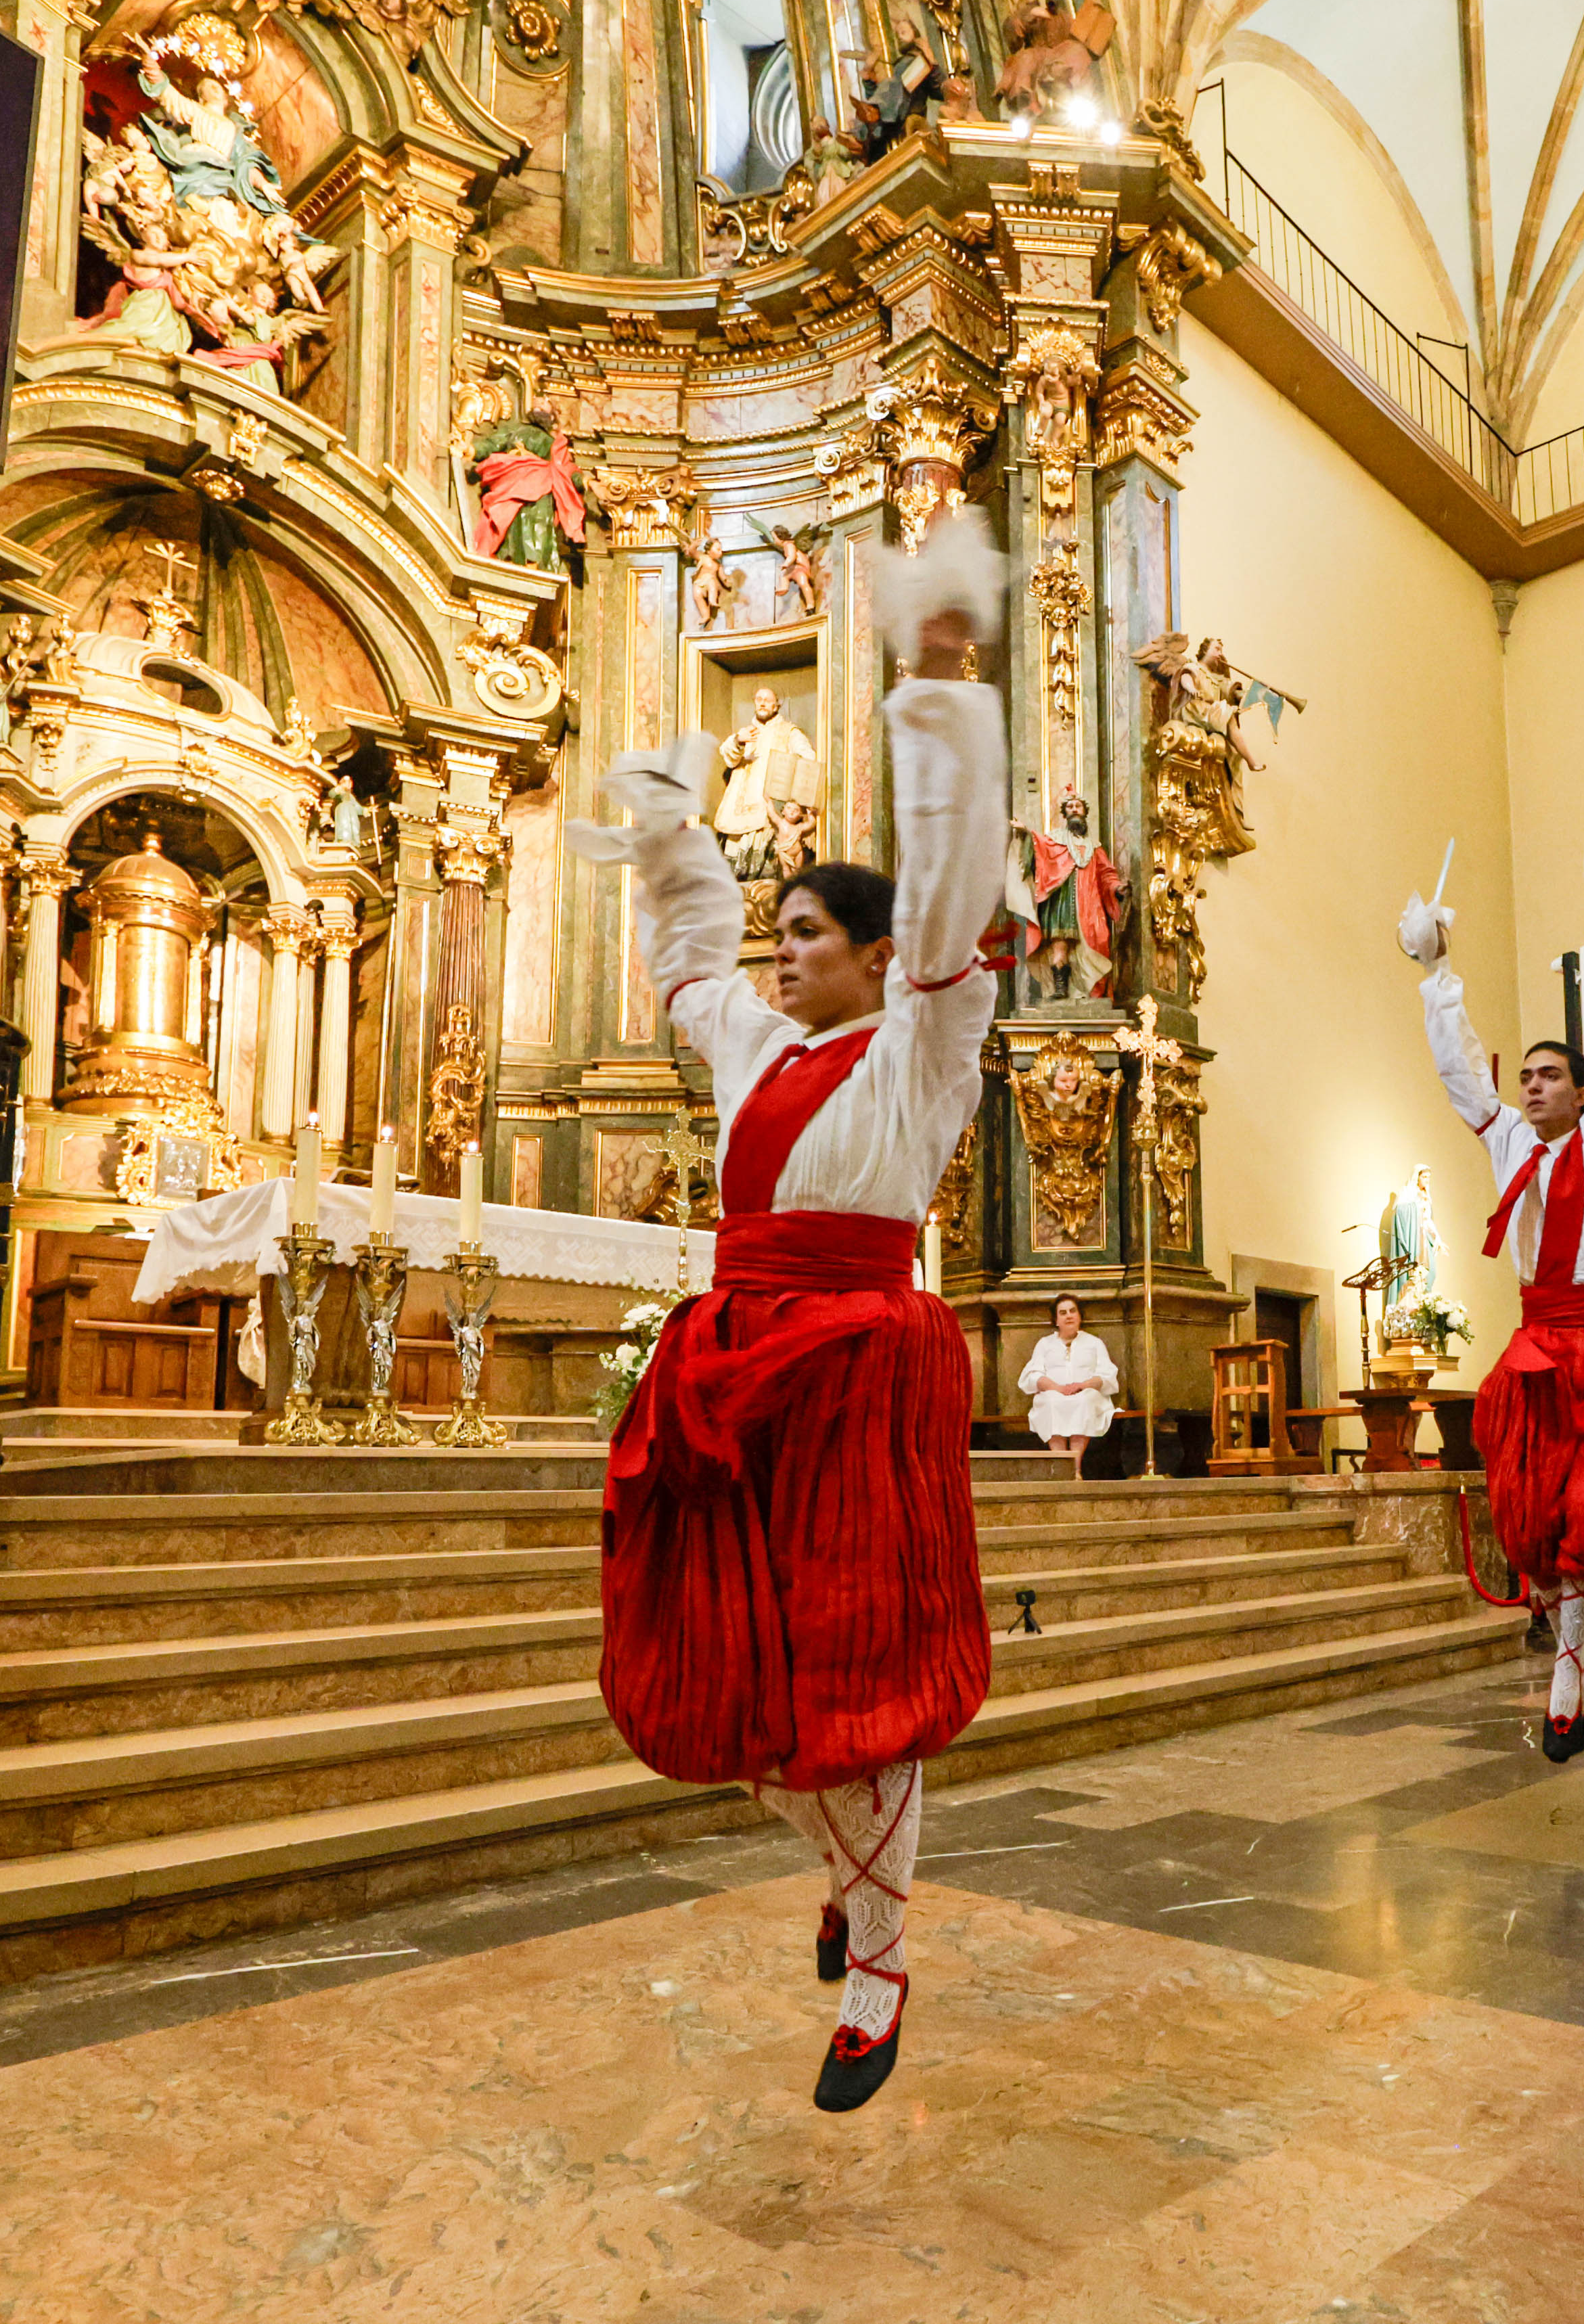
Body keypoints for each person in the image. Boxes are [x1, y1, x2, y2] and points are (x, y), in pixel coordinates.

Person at [570, 505, 1008, 2112]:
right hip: (739, 1364)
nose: (782, 952)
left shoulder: (923, 1043)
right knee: (747, 1684)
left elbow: (953, 889)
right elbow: (689, 967)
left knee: (858, 1678)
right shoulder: (764, 1051)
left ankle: (882, 1962)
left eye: (807, 934)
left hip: (858, 1367)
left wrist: (940, 683)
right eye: (786, 934)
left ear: (879, 957)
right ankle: (845, 1878)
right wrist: (676, 827)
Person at [1403, 839, 1584, 1762]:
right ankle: (1571, 1648)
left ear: (1583, 1088)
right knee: (1534, 1516)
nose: (1530, 1085)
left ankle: (1569, 1659)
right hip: (1538, 1343)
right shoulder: (1511, 1142)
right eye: (1527, 1076)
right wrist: (1437, 971)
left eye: (1548, 1074)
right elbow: (1459, 1077)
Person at [1014, 1293, 1119, 1476]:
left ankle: (1075, 1469)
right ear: (1056, 1320)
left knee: (1084, 1401)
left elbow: (1107, 1375)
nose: (1069, 1316)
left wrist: (1083, 1385)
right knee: (1051, 1402)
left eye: (1072, 1311)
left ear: (1080, 1316)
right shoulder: (1045, 1344)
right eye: (1063, 1313)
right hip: (1054, 1392)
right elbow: (1032, 1376)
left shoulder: (1094, 1343)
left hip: (1086, 1393)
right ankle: (1062, 1469)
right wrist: (1058, 1388)